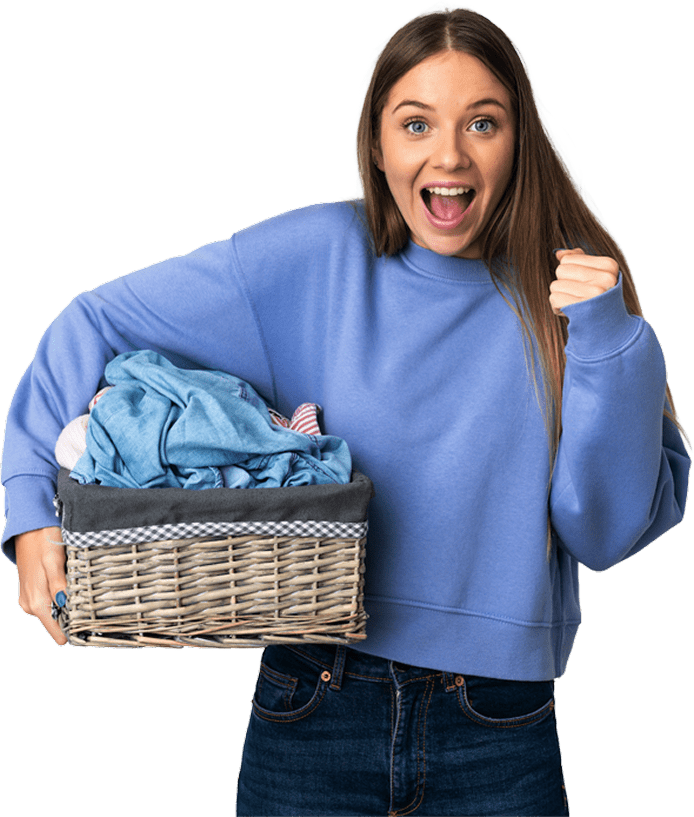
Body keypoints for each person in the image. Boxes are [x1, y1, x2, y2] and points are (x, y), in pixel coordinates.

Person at [1, 3, 690, 815]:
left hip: (497, 723)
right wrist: (27, 506)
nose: (449, 155)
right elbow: (98, 319)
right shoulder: (312, 260)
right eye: (415, 124)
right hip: (315, 706)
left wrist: (609, 343)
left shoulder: (571, 304)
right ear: (376, 143)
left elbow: (601, 533)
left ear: (519, 142)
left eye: (482, 122)